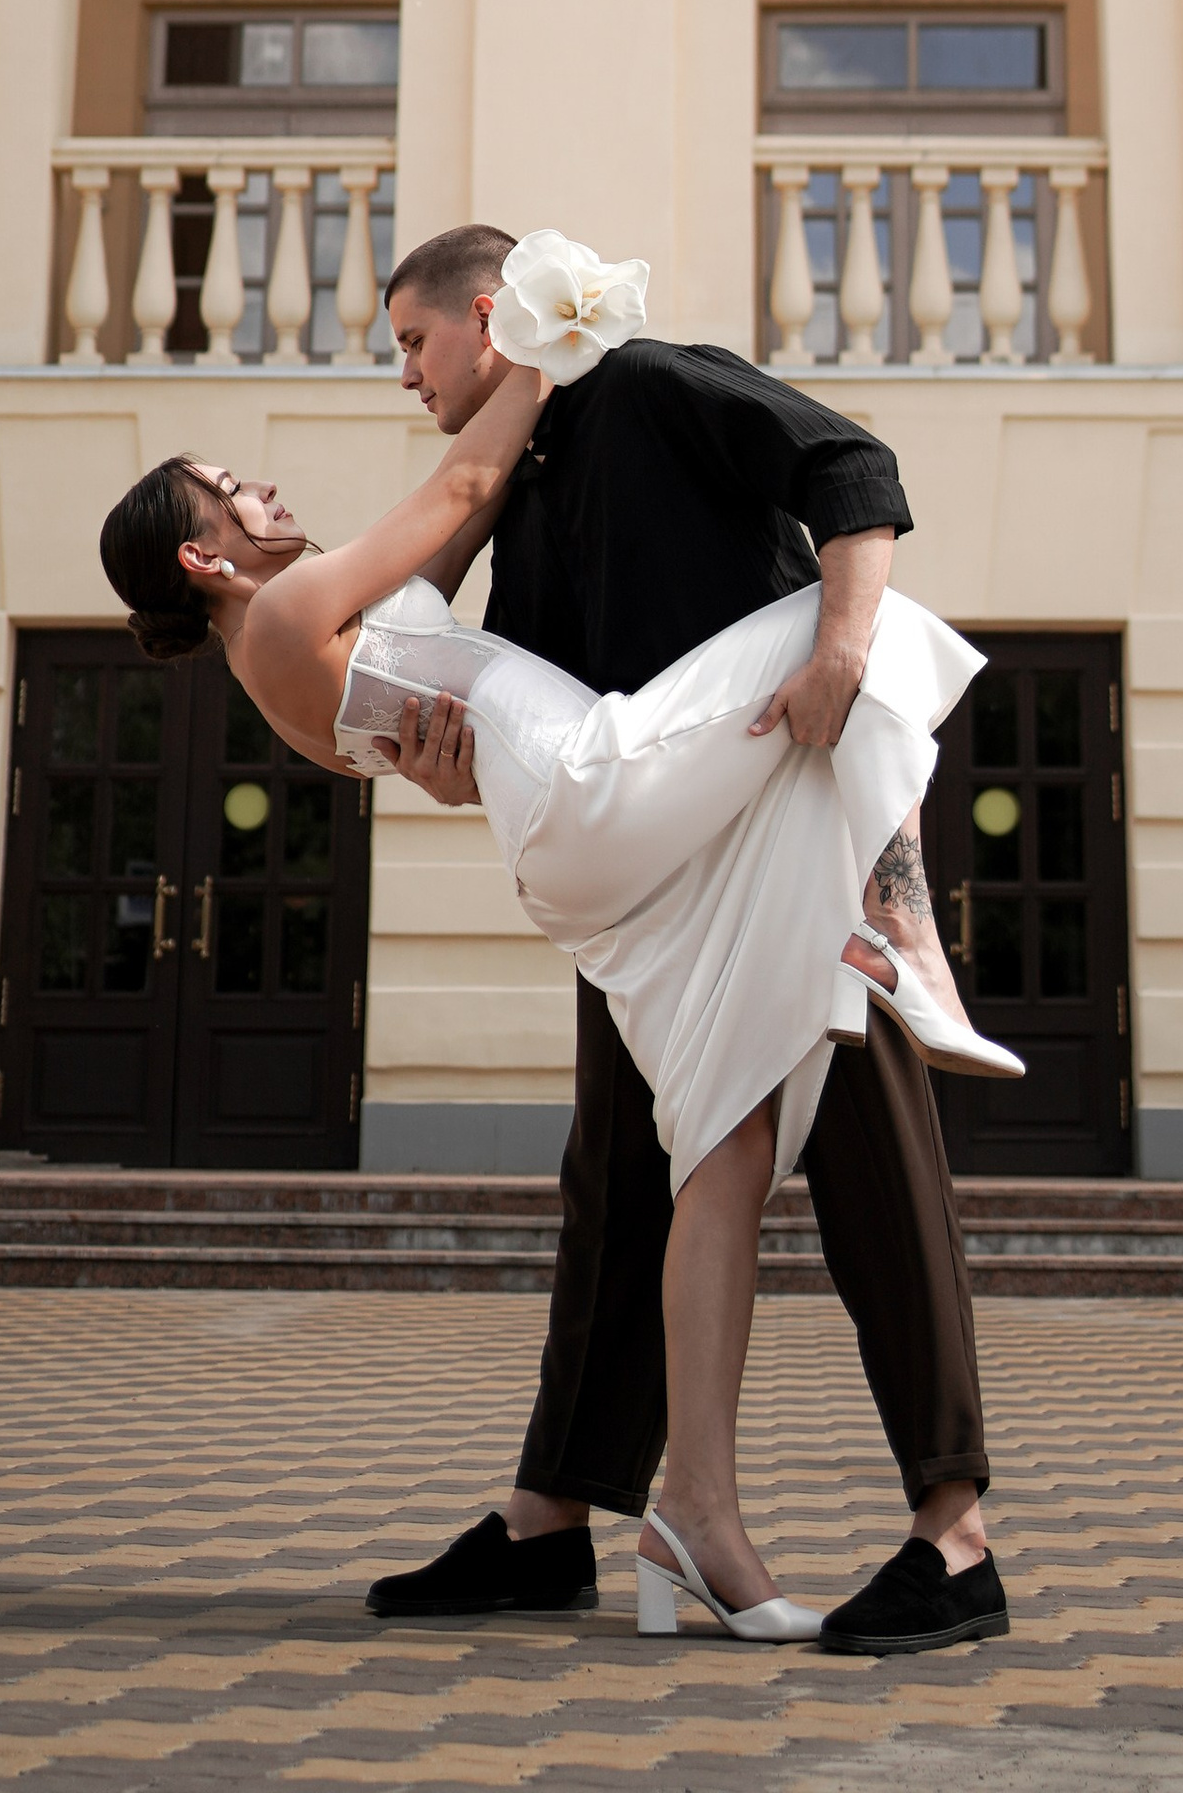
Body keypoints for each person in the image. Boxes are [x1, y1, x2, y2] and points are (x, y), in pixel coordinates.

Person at [363, 224, 1012, 1661]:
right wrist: (448, 768)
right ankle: (552, 1521)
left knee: (872, 1154)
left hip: (792, 821)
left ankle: (953, 1538)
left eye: (411, 343)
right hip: (660, 881)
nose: (402, 374)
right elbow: (534, 728)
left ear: (488, 316)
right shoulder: (523, 502)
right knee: (616, 1176)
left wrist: (844, 646)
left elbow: (851, 468)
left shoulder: (654, 382)